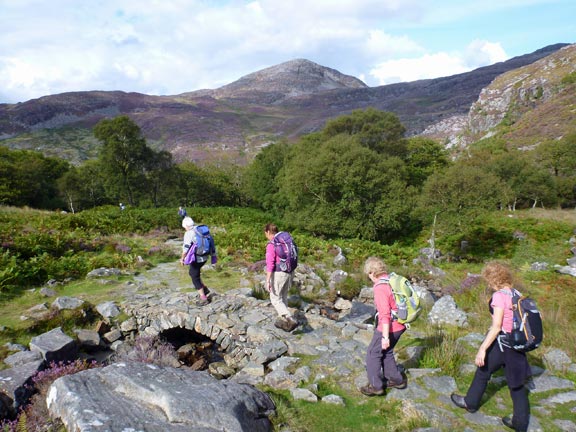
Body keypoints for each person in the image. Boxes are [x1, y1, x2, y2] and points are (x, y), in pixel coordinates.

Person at [451, 261, 530, 431]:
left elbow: (496, 327)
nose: (487, 284)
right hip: (518, 343)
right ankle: (520, 423)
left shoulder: (499, 296)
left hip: (503, 343)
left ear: (494, 279)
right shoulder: (517, 293)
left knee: (483, 370)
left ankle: (470, 402)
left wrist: (482, 349)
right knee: (516, 384)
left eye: (488, 280)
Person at [360, 256, 407, 396]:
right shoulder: (392, 279)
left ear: (371, 272)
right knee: (387, 352)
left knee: (373, 354)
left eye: (368, 274)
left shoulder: (380, 287)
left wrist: (385, 337)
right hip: (401, 324)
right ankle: (397, 380)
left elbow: (384, 315)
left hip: (389, 326)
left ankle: (376, 386)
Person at [264, 223, 298, 332]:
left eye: (265, 233)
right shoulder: (286, 241)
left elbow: (270, 263)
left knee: (275, 298)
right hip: (289, 272)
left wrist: (268, 280)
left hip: (279, 273)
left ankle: (289, 318)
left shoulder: (272, 244)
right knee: (283, 296)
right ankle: (283, 319)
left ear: (268, 232)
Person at [180, 216, 216, 306]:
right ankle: (204, 289)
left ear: (186, 226)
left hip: (196, 258)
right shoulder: (200, 230)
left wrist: (182, 258)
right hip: (205, 257)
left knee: (194, 276)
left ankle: (203, 298)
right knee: (194, 273)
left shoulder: (189, 233)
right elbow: (211, 241)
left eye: (184, 227)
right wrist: (213, 255)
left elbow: (186, 248)